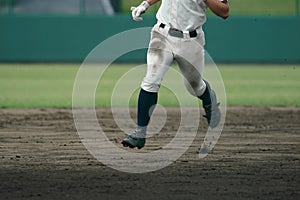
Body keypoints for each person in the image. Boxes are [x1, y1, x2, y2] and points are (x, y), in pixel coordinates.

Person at [122, 0, 229, 149]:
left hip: (191, 40)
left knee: (194, 86)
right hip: (162, 34)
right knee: (151, 80)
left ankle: (209, 101)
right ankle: (140, 133)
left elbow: (224, 11)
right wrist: (145, 4)